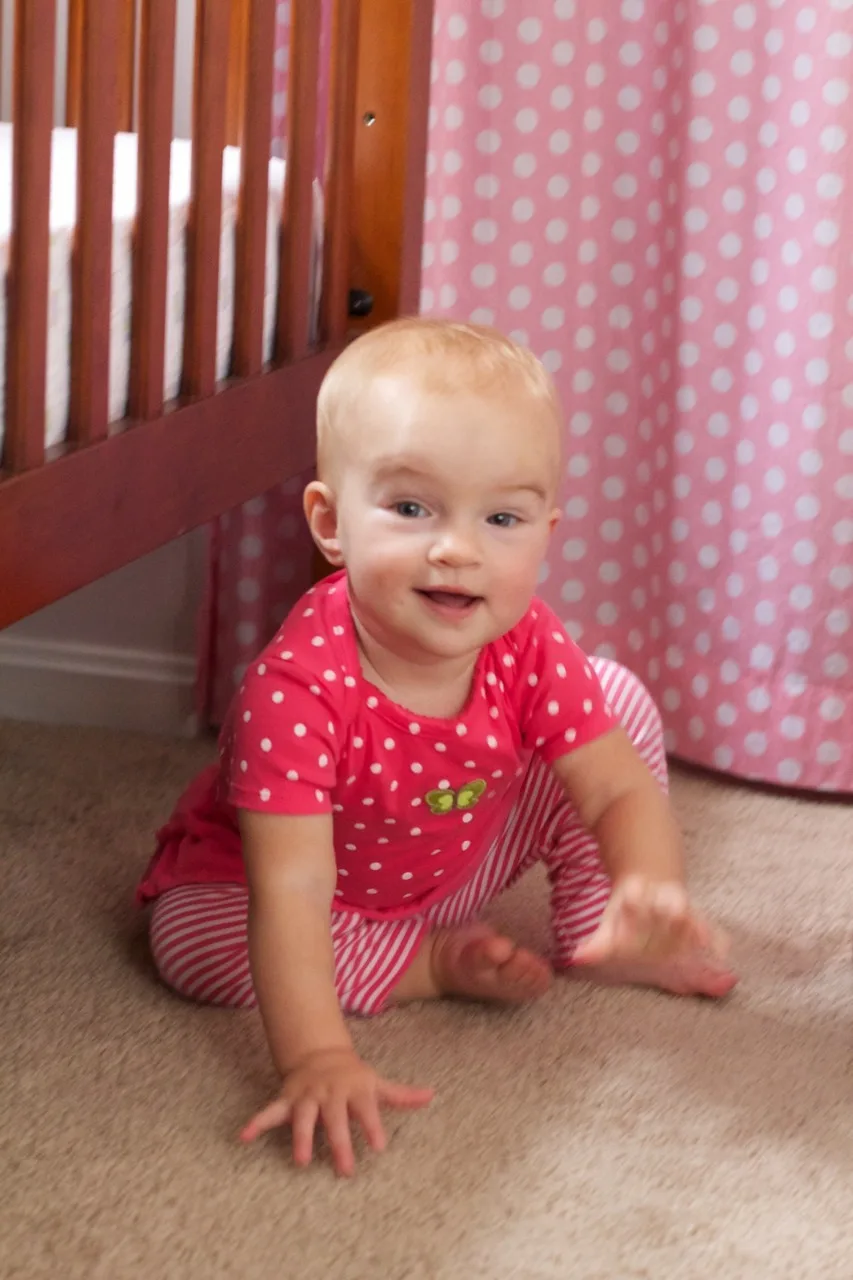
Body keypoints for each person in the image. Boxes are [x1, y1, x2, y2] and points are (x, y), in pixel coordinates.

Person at [136, 318, 737, 1176]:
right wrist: (316, 1057)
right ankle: (423, 964)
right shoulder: (295, 690)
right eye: (411, 508)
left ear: (546, 531)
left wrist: (650, 881)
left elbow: (611, 791)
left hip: (453, 852)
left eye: (500, 517)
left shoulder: (526, 638)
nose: (456, 549)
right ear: (329, 521)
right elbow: (295, 887)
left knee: (616, 702)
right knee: (192, 943)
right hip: (287, 887)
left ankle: (600, 929)